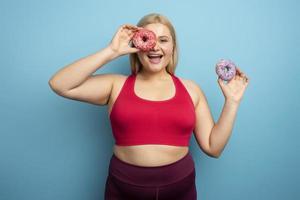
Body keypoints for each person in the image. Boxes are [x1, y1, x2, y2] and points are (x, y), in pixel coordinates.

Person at [49, 13, 249, 200]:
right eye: (149, 39)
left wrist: (232, 102)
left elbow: (213, 147)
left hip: (180, 188)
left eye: (163, 40)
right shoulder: (115, 85)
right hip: (123, 188)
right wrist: (111, 51)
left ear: (173, 47)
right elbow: (60, 84)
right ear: (137, 44)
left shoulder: (191, 90)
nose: (155, 47)